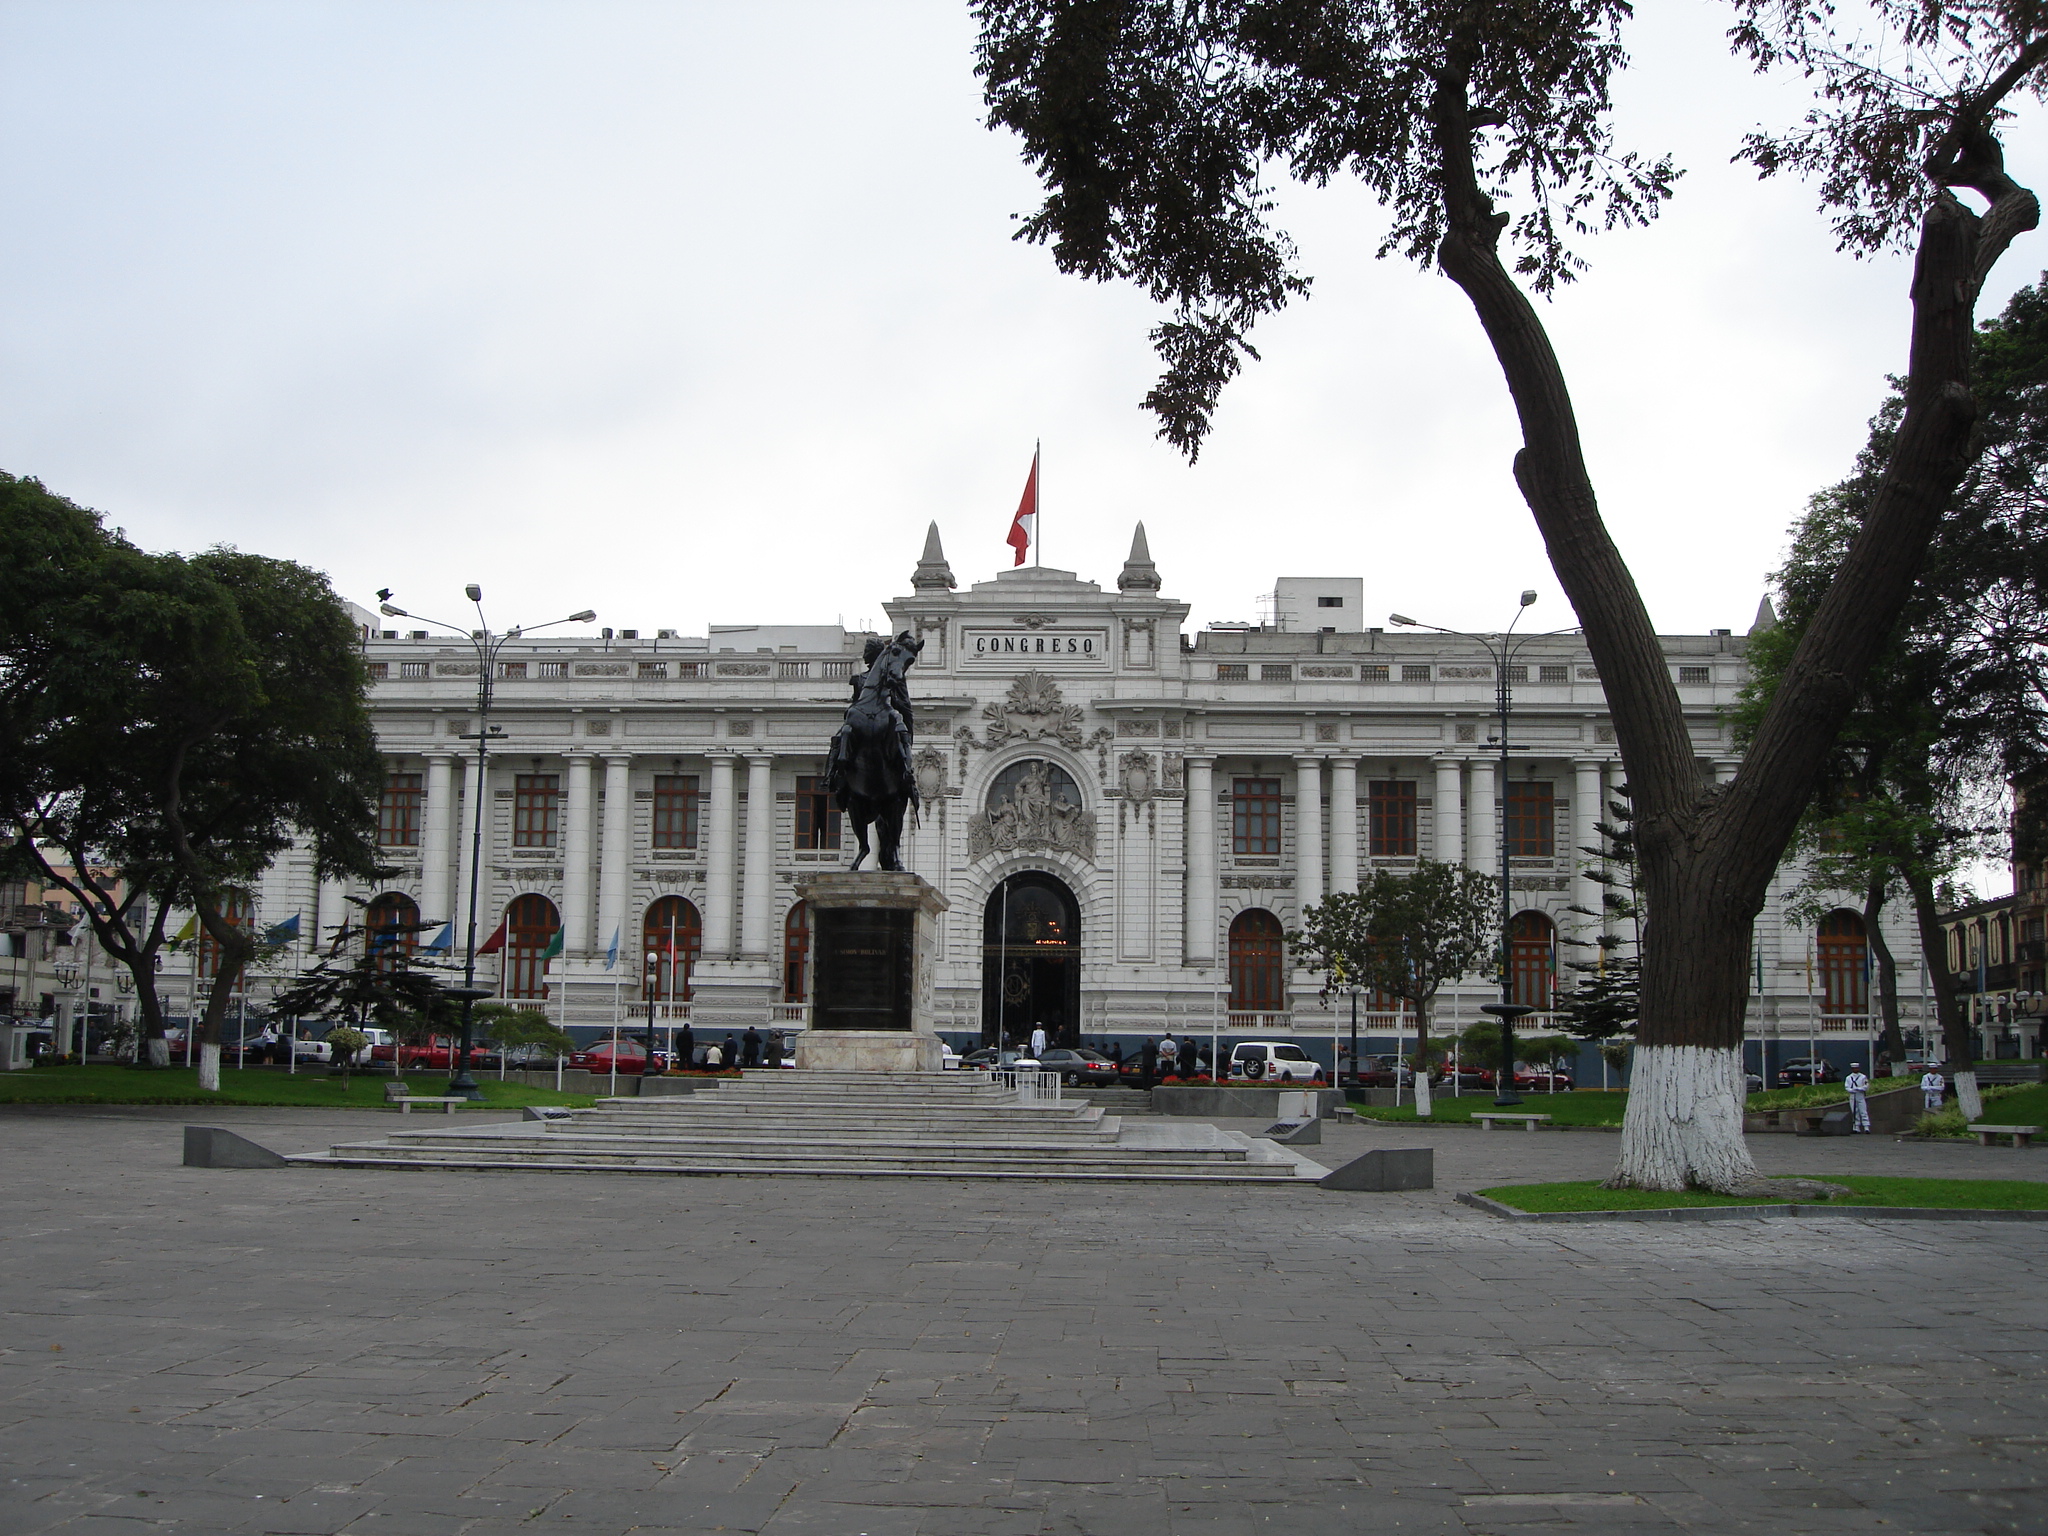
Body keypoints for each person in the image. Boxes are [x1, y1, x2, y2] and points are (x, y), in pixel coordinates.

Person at [1844, 1062, 1872, 1133]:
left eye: (1856, 1068)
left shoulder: (1863, 1077)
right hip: (1852, 1095)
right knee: (1854, 1112)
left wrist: (1859, 1089)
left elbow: (1866, 1086)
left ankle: (1866, 1127)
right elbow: (1847, 1087)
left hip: (1860, 1095)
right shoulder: (1848, 1078)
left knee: (1863, 1111)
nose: (1855, 1069)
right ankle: (1856, 1127)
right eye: (1854, 1068)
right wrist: (1851, 1090)